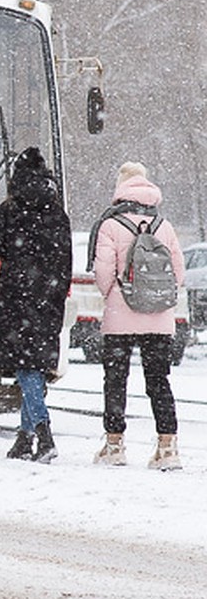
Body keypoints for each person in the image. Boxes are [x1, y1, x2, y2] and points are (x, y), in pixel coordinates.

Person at [91, 161, 185, 470]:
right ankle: (168, 447)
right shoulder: (164, 225)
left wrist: (114, 296)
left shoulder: (111, 224)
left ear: (120, 187)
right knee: (159, 381)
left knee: (116, 380)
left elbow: (103, 270)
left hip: (120, 315)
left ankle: (114, 445)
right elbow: (178, 274)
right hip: (159, 316)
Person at [0, 148, 72, 463]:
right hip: (48, 299)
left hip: (16, 297)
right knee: (33, 366)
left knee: (25, 367)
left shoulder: (10, 210)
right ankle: (24, 438)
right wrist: (57, 292)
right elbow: (65, 261)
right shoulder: (57, 213)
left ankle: (44, 435)